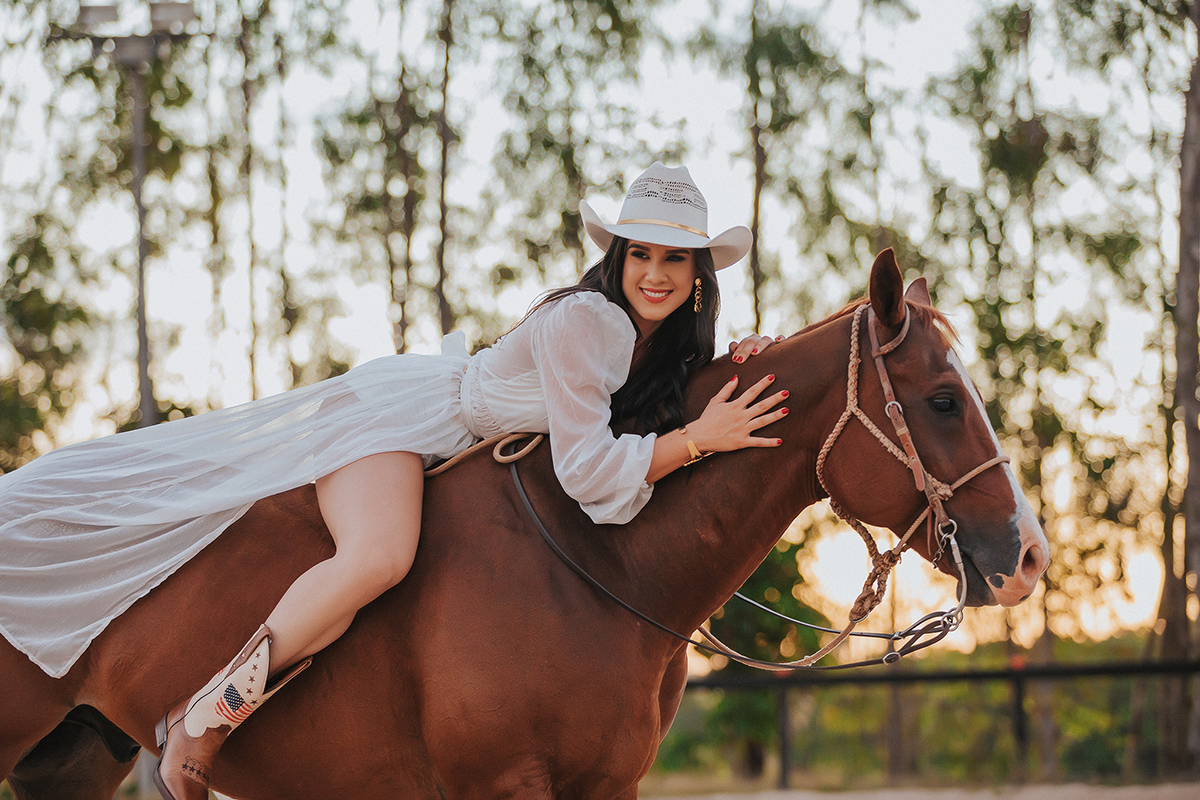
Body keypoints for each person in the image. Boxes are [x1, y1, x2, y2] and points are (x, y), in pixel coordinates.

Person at [0, 162, 788, 800]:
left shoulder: (660, 342)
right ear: (616, 257)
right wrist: (695, 439)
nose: (654, 273)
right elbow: (589, 473)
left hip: (440, 434)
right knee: (379, 556)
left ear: (697, 273)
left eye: (673, 258)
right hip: (401, 419)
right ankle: (204, 720)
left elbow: (632, 429)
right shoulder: (593, 321)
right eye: (639, 254)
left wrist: (733, 365)